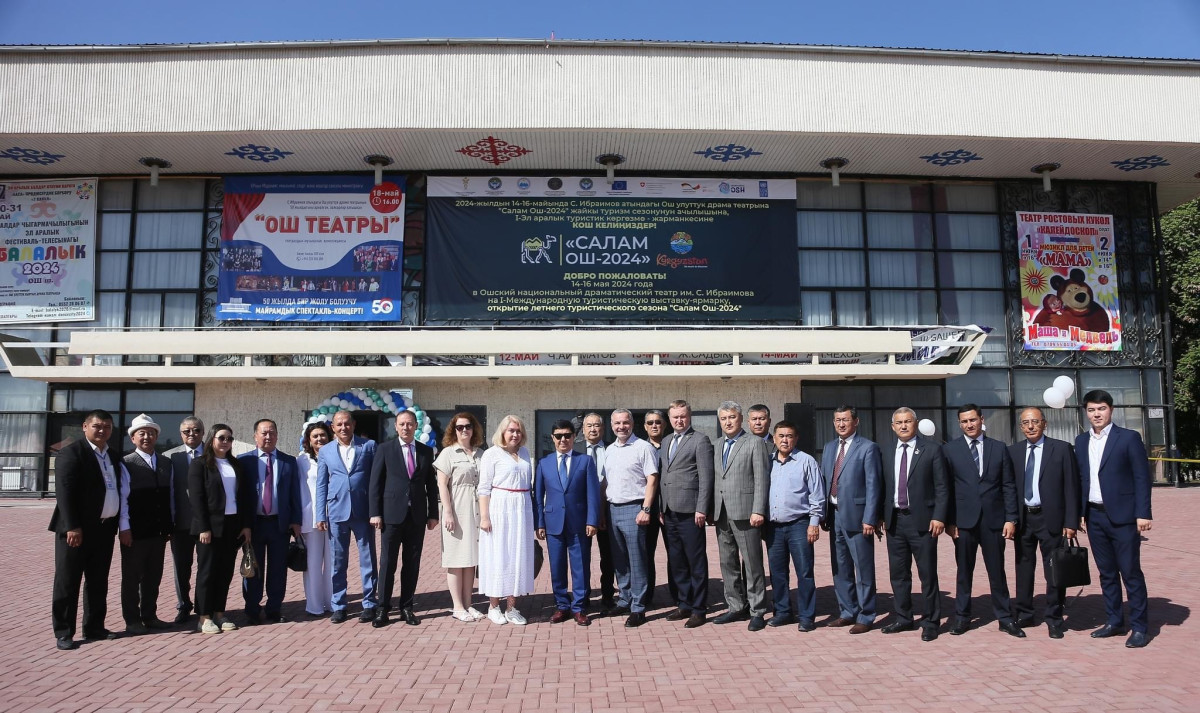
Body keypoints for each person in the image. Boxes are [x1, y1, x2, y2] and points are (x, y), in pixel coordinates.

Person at [1075, 389, 1153, 648]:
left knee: (1130, 572)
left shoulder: (1128, 438)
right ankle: (1114, 621)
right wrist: (1079, 513)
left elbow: (1142, 477)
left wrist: (1143, 513)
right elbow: (1081, 479)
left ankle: (1139, 627)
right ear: (1086, 413)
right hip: (1094, 516)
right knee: (1106, 573)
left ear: (1111, 410)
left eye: (1101, 409)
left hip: (1124, 517)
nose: (1096, 414)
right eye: (1091, 410)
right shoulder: (1081, 441)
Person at [944, 404, 1024, 638]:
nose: (969, 425)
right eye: (964, 421)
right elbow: (945, 488)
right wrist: (949, 521)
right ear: (959, 424)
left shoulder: (998, 448)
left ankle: (1005, 618)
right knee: (964, 572)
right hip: (963, 523)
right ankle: (962, 617)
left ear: (981, 419)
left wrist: (1011, 518)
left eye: (973, 420)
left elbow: (1008, 485)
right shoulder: (950, 450)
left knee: (997, 571)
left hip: (994, 521)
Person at [50, 410, 124, 650]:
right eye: (97, 426)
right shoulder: (71, 453)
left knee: (97, 580)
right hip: (76, 531)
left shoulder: (113, 455)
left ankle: (94, 626)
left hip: (104, 529)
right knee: (68, 581)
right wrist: (72, 526)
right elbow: (64, 492)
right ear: (85, 427)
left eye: (107, 427)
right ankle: (64, 632)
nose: (102, 430)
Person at [879, 407, 950, 641]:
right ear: (893, 427)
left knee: (927, 574)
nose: (903, 426)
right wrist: (880, 516)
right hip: (895, 521)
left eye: (907, 421)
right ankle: (904, 618)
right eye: (899, 422)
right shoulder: (886, 451)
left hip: (923, 522)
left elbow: (942, 487)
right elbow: (881, 486)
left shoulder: (932, 449)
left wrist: (939, 516)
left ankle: (931, 622)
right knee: (899, 574)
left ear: (916, 423)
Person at [1010, 407, 1079, 639]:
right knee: (1023, 567)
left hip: (1052, 519)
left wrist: (1071, 521)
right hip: (1023, 519)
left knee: (1054, 569)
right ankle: (1025, 613)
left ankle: (1054, 618)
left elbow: (1071, 487)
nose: (1030, 426)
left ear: (1044, 424)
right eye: (1025, 423)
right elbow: (1008, 488)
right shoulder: (1013, 452)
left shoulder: (1061, 449)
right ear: (1021, 426)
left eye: (1035, 421)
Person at [370, 410, 438, 627]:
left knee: (412, 564)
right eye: (402, 424)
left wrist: (433, 514)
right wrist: (375, 513)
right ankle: (382, 609)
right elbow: (375, 483)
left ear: (416, 426)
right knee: (387, 563)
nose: (406, 428)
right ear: (396, 427)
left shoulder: (426, 451)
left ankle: (406, 608)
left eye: (409, 424)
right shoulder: (385, 449)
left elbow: (431, 485)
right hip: (391, 516)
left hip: (416, 517)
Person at [820, 405, 882, 634]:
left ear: (856, 422)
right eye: (837, 420)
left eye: (845, 419)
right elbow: (825, 480)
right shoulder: (829, 448)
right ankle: (847, 611)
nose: (841, 424)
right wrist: (823, 513)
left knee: (863, 569)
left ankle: (866, 615)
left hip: (858, 517)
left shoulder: (868, 447)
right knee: (840, 567)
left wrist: (870, 518)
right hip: (834, 514)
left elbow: (874, 485)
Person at [534, 419, 601, 625]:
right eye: (558, 436)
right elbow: (538, 496)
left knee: (581, 566)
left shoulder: (585, 461)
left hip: (579, 523)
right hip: (553, 523)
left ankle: (579, 607)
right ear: (553, 438)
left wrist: (592, 520)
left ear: (574, 437)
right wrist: (540, 523)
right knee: (557, 567)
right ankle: (562, 606)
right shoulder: (544, 463)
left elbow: (593, 494)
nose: (563, 439)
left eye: (567, 435)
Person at [189, 424, 255, 635]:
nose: (226, 442)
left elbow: (244, 497)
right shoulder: (200, 464)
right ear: (211, 439)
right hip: (209, 528)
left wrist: (246, 525)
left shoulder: (235, 464)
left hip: (232, 526)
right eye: (222, 438)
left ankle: (219, 613)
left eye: (229, 438)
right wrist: (203, 527)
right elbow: (197, 498)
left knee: (225, 572)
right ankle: (204, 617)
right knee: (207, 572)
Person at [712, 400, 771, 631]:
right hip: (721, 513)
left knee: (752, 563)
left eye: (732, 417)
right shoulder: (716, 444)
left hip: (746, 512)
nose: (728, 422)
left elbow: (761, 479)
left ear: (740, 419)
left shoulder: (754, 442)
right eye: (724, 418)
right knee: (727, 562)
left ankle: (757, 610)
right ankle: (736, 606)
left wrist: (758, 509)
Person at [316, 410, 378, 624]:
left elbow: (376, 480)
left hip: (363, 511)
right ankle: (339, 605)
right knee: (337, 562)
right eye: (339, 424)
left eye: (347, 423)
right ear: (333, 427)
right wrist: (320, 514)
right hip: (336, 512)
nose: (343, 427)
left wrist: (376, 510)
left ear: (353, 424)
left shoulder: (368, 446)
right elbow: (322, 484)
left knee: (368, 559)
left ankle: (369, 603)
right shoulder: (325, 451)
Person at [239, 419, 302, 624]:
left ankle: (274, 609)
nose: (268, 436)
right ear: (255, 436)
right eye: (264, 433)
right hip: (253, 525)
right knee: (253, 568)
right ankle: (252, 610)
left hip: (279, 524)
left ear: (277, 435)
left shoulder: (288, 461)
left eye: (272, 432)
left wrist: (295, 520)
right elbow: (240, 496)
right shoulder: (243, 461)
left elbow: (294, 493)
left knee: (278, 569)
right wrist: (244, 525)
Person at [601, 409, 660, 628]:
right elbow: (606, 482)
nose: (621, 427)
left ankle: (638, 607)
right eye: (617, 423)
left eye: (625, 422)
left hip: (635, 508)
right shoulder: (609, 450)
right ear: (612, 425)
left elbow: (652, 479)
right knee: (620, 560)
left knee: (637, 561)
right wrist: (603, 512)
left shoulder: (643, 447)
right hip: (613, 509)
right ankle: (624, 599)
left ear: (632, 424)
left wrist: (646, 509)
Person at [658, 399, 715, 628]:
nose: (679, 420)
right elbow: (664, 475)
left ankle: (699, 609)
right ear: (669, 418)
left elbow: (706, 477)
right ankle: (684, 604)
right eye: (675, 417)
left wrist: (702, 508)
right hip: (668, 511)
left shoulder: (700, 440)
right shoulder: (666, 441)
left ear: (689, 417)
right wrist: (660, 507)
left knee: (695, 562)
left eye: (682, 416)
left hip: (691, 512)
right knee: (677, 561)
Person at [764, 420, 824, 632]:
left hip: (799, 524)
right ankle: (782, 612)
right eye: (781, 436)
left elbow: (817, 495)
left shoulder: (806, 461)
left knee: (804, 572)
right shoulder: (768, 462)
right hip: (773, 527)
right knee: (777, 573)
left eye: (789, 436)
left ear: (796, 439)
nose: (785, 440)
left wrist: (814, 523)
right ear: (774, 438)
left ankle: (807, 616)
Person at [478, 415, 536, 625]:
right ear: (502, 432)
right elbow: (484, 488)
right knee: (499, 556)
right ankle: (494, 606)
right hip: (500, 509)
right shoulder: (492, 454)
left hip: (522, 508)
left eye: (518, 431)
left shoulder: (525, 453)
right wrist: (485, 517)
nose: (515, 434)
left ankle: (512, 607)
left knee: (518, 557)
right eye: (511, 430)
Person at [119, 414, 174, 635]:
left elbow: (170, 496)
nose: (146, 437)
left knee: (153, 576)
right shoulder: (126, 463)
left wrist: (168, 525)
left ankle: (149, 616)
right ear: (133, 438)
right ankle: (132, 620)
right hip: (135, 531)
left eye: (151, 433)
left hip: (158, 531)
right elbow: (123, 498)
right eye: (141, 433)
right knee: (132, 578)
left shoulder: (166, 462)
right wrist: (124, 527)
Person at [434, 412, 486, 622]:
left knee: (471, 559)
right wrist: (447, 512)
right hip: (457, 510)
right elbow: (441, 484)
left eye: (468, 426)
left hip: (476, 511)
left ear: (474, 429)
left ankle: (468, 604)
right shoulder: (448, 453)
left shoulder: (481, 454)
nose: (464, 430)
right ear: (453, 430)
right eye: (460, 427)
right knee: (456, 559)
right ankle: (457, 606)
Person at [296, 421, 334, 617]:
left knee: (333, 564)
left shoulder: (336, 456)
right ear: (309, 441)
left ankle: (333, 603)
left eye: (323, 435)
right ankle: (315, 605)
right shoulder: (301, 461)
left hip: (334, 518)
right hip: (310, 520)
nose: (320, 439)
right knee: (312, 564)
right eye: (315, 436)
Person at [169, 416, 204, 624]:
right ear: (181, 434)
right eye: (187, 431)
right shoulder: (173, 458)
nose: (192, 434)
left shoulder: (213, 455)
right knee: (181, 568)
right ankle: (183, 605)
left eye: (196, 430)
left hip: (206, 525)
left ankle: (202, 605)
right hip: (180, 523)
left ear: (203, 432)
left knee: (204, 566)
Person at [640, 409, 675, 608]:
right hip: (647, 510)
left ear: (664, 425)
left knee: (675, 553)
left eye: (658, 422)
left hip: (670, 509)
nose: (654, 425)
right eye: (650, 422)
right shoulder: (640, 448)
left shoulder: (672, 445)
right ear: (645, 426)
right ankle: (646, 596)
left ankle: (678, 595)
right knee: (646, 554)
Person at [582, 412, 616, 610]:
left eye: (597, 425)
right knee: (582, 556)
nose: (593, 429)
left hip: (607, 509)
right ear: (583, 429)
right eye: (589, 426)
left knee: (608, 556)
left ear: (603, 429)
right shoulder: (575, 450)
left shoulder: (613, 449)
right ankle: (583, 596)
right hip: (582, 511)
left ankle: (608, 595)